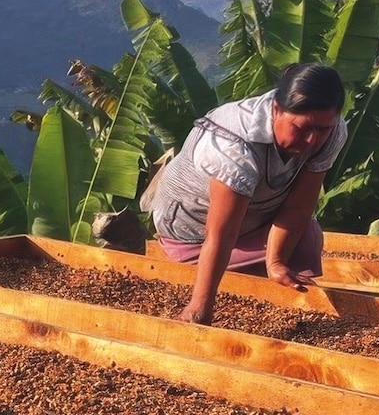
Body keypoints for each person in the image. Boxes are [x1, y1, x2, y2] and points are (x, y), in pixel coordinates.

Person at [147, 62, 347, 325]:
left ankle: (278, 302)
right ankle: (232, 285)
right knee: (230, 277)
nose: (311, 140)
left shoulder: (332, 131)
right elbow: (221, 233)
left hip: (253, 220)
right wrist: (199, 308)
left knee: (307, 235)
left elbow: (299, 208)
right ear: (276, 109)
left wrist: (275, 261)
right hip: (191, 230)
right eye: (300, 128)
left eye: (321, 130)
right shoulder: (232, 143)